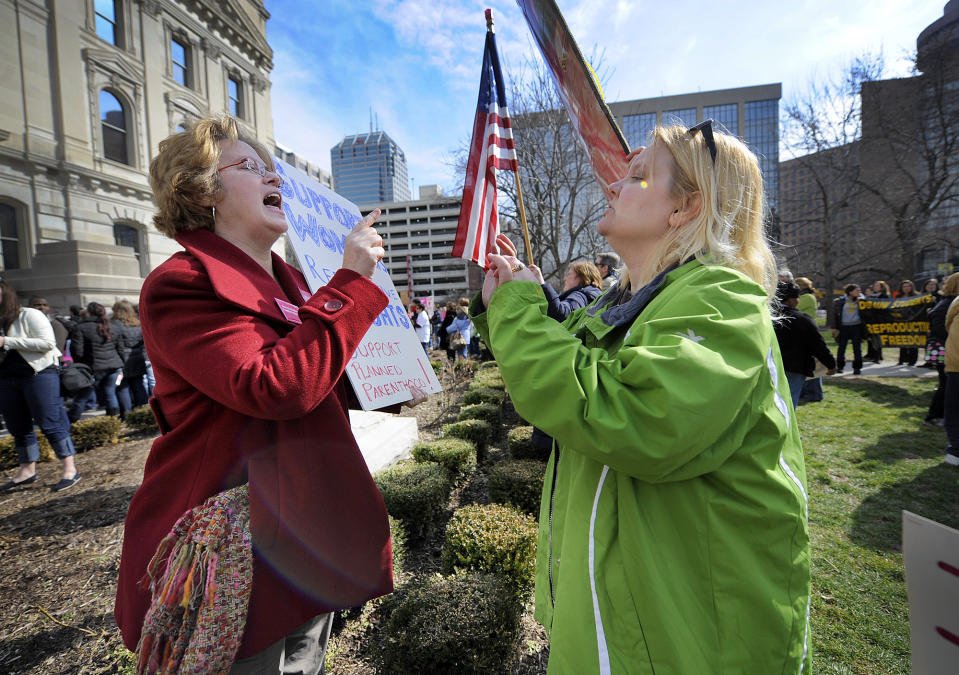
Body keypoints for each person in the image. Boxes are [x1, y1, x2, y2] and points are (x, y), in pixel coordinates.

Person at [472, 122, 810, 672]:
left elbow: (630, 415)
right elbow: (566, 375)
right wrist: (517, 305)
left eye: (637, 176)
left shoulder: (720, 300)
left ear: (683, 209)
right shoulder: (624, 302)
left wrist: (518, 314)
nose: (613, 186)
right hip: (625, 615)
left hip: (690, 634)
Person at [114, 116, 396, 671]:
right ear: (200, 191)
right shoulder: (182, 283)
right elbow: (276, 387)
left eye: (272, 168)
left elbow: (320, 379)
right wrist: (349, 287)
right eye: (251, 167)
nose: (276, 178)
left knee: (307, 660)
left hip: (308, 522)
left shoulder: (293, 282)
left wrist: (389, 373)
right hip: (238, 542)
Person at [0, 282, 80, 492]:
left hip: (39, 374)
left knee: (49, 421)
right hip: (6, 379)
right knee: (18, 426)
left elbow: (47, 343)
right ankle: (27, 470)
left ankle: (69, 469)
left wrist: (7, 341)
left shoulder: (29, 315)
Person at [774, 281, 837, 408]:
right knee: (787, 404)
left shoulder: (764, 317)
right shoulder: (802, 319)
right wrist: (831, 364)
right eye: (797, 297)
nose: (798, 301)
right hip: (794, 366)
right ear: (791, 300)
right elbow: (818, 344)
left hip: (769, 365)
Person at [68, 302, 126, 420]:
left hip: (94, 367)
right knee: (110, 393)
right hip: (113, 365)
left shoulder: (81, 327)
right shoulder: (113, 326)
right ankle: (114, 421)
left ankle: (71, 420)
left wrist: (81, 365)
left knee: (83, 395)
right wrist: (122, 364)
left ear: (88, 313)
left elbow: (77, 351)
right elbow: (120, 348)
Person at [925, 273, 959, 425]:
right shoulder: (947, 303)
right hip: (945, 348)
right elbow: (938, 326)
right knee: (946, 385)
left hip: (948, 348)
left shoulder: (948, 301)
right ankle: (934, 416)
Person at [530, 260, 604, 322]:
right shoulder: (594, 295)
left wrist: (541, 282)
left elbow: (560, 314)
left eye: (569, 274)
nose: (565, 279)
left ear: (582, 277)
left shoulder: (581, 296)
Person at [112, 300, 148, 413]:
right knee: (138, 385)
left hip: (122, 359)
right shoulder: (137, 324)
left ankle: (127, 414)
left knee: (123, 387)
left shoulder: (114, 325)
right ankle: (143, 411)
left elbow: (117, 346)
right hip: (138, 358)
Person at [795, 277, 825, 402]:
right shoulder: (806, 296)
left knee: (813, 366)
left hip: (807, 333)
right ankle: (805, 392)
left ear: (801, 286)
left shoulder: (807, 298)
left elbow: (795, 308)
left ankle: (814, 393)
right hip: (802, 332)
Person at [832, 284, 864, 374]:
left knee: (857, 349)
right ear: (850, 292)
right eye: (857, 291)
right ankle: (840, 366)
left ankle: (857, 368)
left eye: (859, 291)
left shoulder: (861, 301)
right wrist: (834, 327)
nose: (859, 292)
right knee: (842, 347)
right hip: (844, 327)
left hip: (856, 327)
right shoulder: (840, 301)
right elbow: (834, 315)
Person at [943, 292, 959, 466]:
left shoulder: (955, 309)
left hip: (956, 368)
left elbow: (947, 323)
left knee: (954, 410)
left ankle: (955, 451)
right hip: (956, 367)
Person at [896, 279, 920, 366]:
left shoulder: (917, 296)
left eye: (908, 286)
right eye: (904, 286)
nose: (906, 288)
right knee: (902, 341)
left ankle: (912, 360)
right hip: (902, 322)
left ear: (912, 287)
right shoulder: (898, 297)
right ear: (901, 288)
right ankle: (902, 359)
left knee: (913, 341)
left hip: (914, 322)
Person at [865, 280, 890, 363]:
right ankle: (871, 355)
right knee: (871, 339)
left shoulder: (885, 296)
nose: (875, 287)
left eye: (877, 285)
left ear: (882, 287)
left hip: (879, 321)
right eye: (875, 285)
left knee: (877, 339)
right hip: (871, 320)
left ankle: (878, 356)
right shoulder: (871, 296)